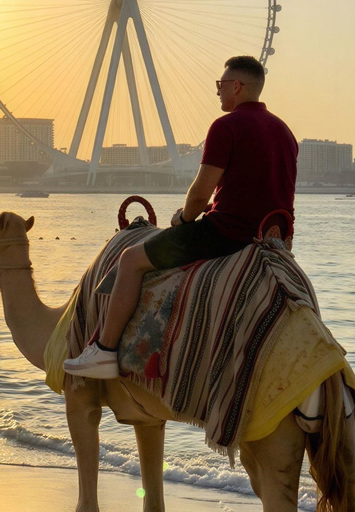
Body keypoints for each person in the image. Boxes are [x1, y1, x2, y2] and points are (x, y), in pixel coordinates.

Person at [63, 55, 298, 379]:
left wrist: (185, 219)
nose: (217, 92)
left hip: (226, 234)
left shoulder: (226, 126)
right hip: (275, 238)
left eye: (221, 85)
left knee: (131, 259)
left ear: (237, 86)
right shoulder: (284, 130)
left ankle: (103, 351)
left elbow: (201, 193)